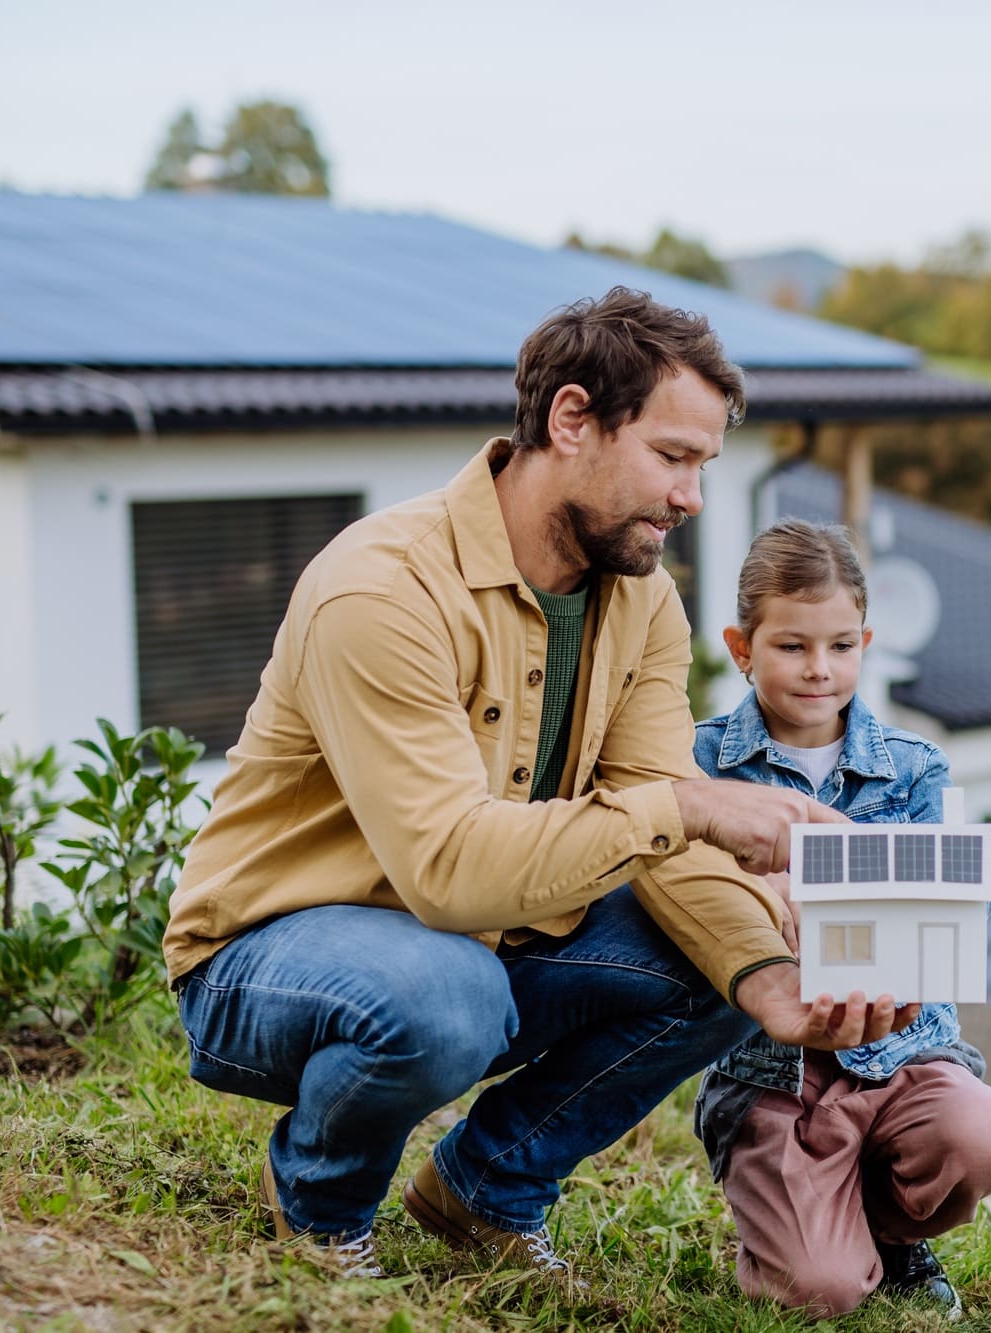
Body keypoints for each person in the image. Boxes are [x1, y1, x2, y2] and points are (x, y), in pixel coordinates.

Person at [163, 289, 915, 1280]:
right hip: (267, 960)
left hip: (482, 945)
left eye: (703, 465)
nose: (691, 496)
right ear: (571, 421)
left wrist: (769, 981)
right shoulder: (382, 587)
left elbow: (661, 826)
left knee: (727, 939)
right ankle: (323, 1207)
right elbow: (449, 871)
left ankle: (484, 1192)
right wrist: (694, 803)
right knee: (449, 994)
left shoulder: (642, 600)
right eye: (672, 456)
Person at [691, 519, 991, 1318]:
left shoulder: (915, 767)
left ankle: (892, 1233)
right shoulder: (702, 766)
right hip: (773, 1069)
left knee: (979, 1140)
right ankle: (812, 1229)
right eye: (792, 646)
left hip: (902, 1050)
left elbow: (961, 901)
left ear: (866, 644)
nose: (820, 668)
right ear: (741, 648)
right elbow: (683, 896)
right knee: (821, 1290)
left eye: (841, 646)